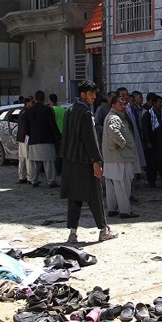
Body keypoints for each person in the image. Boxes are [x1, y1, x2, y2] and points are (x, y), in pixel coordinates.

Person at [60, 80, 116, 243]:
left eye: (94, 94)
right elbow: (90, 139)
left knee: (74, 197)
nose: (93, 97)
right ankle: (103, 230)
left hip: (70, 160)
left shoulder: (69, 110)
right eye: (91, 94)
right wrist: (96, 161)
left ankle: (72, 233)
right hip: (84, 161)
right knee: (95, 196)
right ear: (82, 94)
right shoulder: (85, 112)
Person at [102, 95, 139, 219]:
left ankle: (112, 209)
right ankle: (125, 211)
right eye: (120, 104)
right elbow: (114, 132)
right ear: (113, 105)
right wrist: (122, 143)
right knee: (123, 185)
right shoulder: (114, 117)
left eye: (124, 104)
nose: (123, 106)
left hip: (113, 157)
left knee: (113, 186)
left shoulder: (115, 116)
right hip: (120, 157)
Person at [25, 90, 61, 188]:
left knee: (34, 162)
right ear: (44, 98)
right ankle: (51, 180)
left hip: (33, 139)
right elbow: (52, 124)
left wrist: (30, 134)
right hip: (47, 138)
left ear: (35, 98)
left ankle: (33, 180)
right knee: (49, 162)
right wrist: (58, 135)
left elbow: (26, 126)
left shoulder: (29, 111)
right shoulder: (47, 109)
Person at [141, 94, 162, 188]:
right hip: (153, 143)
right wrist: (147, 142)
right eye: (159, 102)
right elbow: (145, 129)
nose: (161, 104)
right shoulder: (148, 115)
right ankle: (152, 181)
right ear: (154, 103)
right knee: (152, 163)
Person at [16, 97, 34, 184]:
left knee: (22, 158)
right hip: (26, 138)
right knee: (27, 158)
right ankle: (29, 177)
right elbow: (26, 127)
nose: (33, 104)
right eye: (32, 102)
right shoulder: (26, 112)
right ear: (27, 103)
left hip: (21, 138)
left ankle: (22, 176)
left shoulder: (21, 112)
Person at [48, 93, 65, 175]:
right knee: (62, 152)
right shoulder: (62, 109)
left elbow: (51, 122)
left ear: (50, 101)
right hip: (63, 133)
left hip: (56, 134)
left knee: (56, 153)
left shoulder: (51, 109)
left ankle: (58, 169)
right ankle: (62, 168)